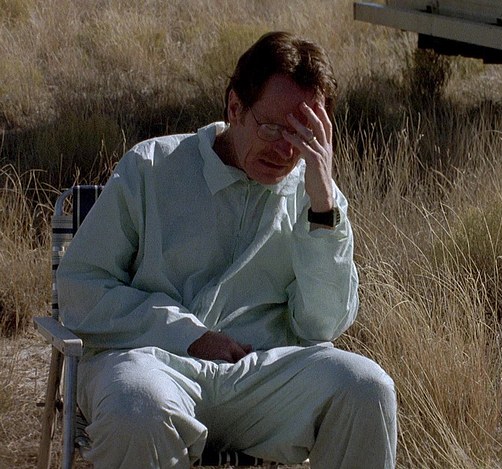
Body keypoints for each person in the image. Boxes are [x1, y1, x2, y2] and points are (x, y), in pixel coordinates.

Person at [56, 31, 397, 469]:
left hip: (261, 376)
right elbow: (82, 287)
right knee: (138, 408)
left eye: (303, 135)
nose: (286, 151)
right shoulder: (152, 167)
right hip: (152, 361)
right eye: (273, 128)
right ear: (235, 108)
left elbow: (322, 326)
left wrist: (322, 209)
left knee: (367, 387)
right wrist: (189, 336)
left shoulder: (316, 197)